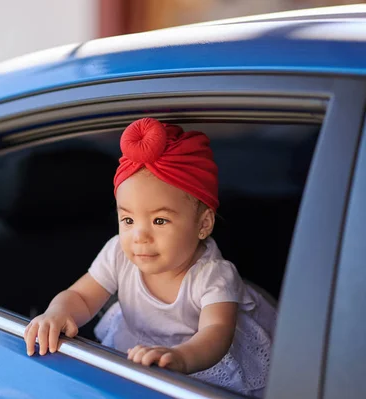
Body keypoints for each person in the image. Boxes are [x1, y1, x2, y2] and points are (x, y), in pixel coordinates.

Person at [24, 118, 276, 397]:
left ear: (203, 225)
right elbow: (82, 296)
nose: (139, 236)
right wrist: (58, 312)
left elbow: (216, 333)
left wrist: (180, 358)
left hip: (198, 363)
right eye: (128, 219)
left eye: (159, 221)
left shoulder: (213, 275)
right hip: (140, 351)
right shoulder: (119, 251)